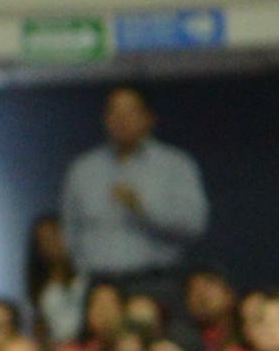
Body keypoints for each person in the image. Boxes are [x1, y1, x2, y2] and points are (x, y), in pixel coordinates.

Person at [55, 84, 205, 284]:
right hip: (99, 282)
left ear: (149, 118)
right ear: (105, 119)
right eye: (114, 112)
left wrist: (143, 208)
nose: (121, 119)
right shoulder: (83, 169)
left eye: (130, 111)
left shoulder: (176, 164)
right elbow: (70, 228)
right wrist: (82, 267)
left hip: (157, 280)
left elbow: (193, 225)